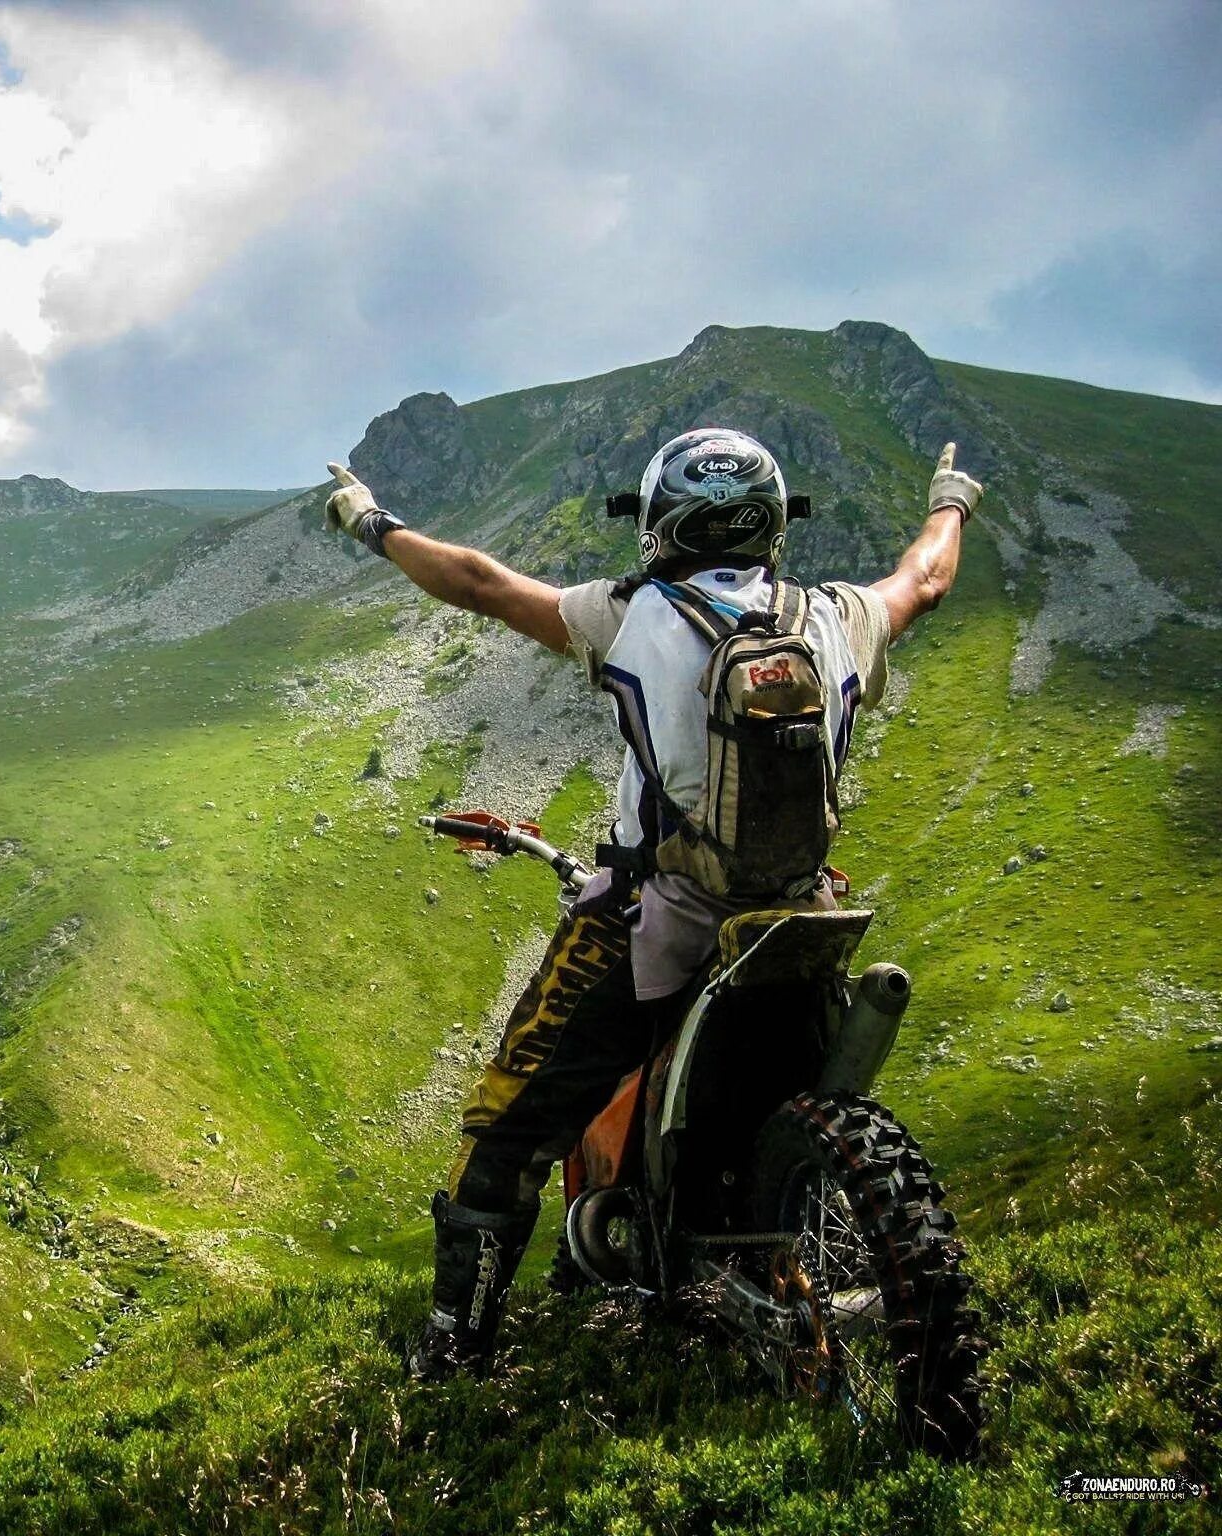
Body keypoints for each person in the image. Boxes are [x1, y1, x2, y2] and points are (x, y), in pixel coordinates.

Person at [321, 427, 984, 1381]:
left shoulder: (632, 615)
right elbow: (925, 578)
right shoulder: (837, 617)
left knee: (505, 1128)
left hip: (658, 922)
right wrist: (951, 497)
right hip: (800, 920)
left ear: (661, 523)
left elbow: (477, 581)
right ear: (771, 522)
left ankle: (455, 1351)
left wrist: (373, 522)